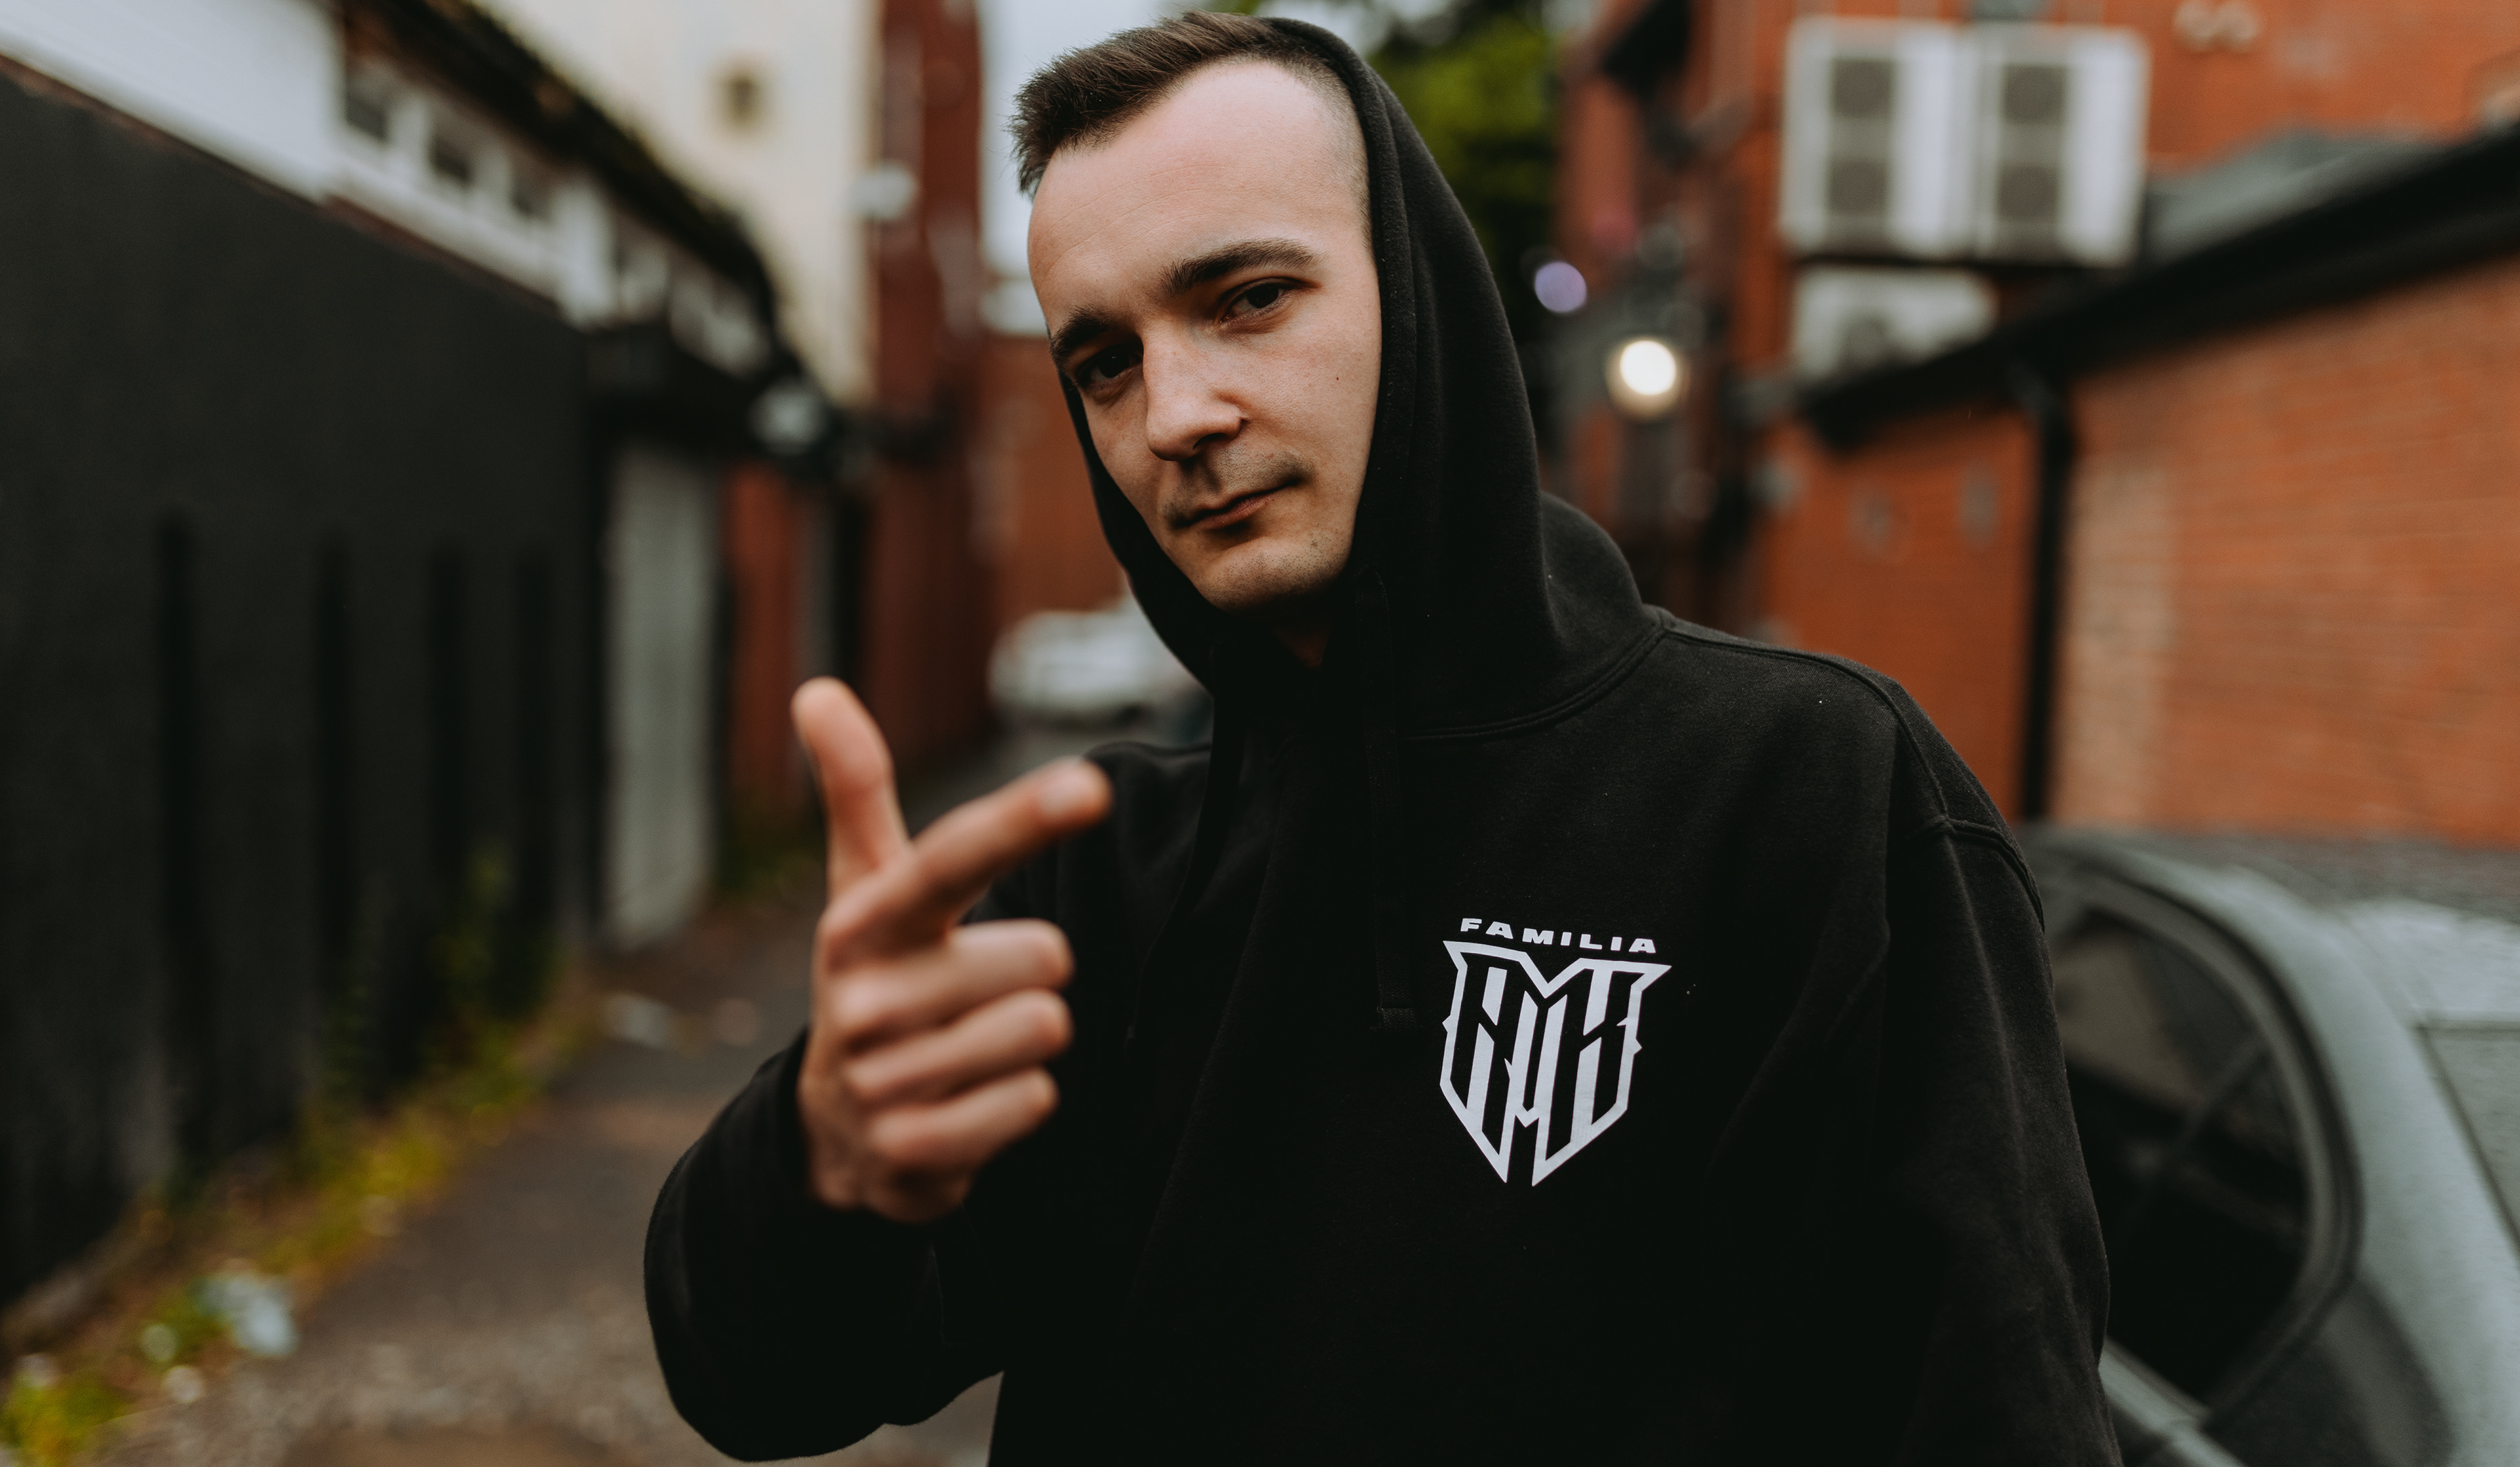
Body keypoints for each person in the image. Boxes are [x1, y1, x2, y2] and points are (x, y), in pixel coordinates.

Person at [646, 13, 2119, 1464]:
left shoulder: (1807, 795)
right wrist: (817, 1162)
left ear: (1417, 298)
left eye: (1247, 298)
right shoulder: (1101, 871)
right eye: (1103, 362)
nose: (1174, 415)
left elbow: (1988, 1415)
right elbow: (758, 1388)